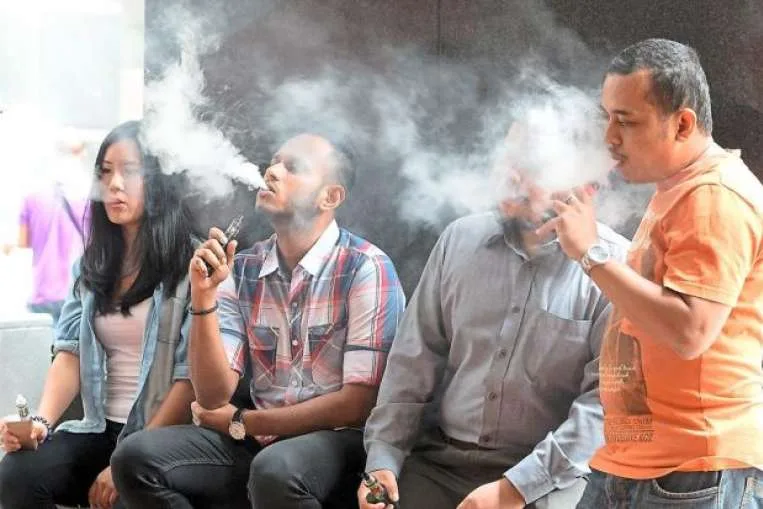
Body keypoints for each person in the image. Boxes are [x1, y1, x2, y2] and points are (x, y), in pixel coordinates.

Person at [111, 133, 406, 509]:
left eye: (293, 167)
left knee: (276, 468)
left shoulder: (366, 267)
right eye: (273, 162)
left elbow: (357, 404)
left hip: (338, 445)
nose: (272, 172)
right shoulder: (244, 268)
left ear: (330, 197)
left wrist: (243, 421)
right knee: (136, 458)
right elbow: (212, 395)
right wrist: (203, 299)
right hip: (257, 443)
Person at [534, 38, 763, 508]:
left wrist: (591, 254)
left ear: (683, 124)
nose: (609, 137)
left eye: (627, 121)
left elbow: (690, 331)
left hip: (692, 472)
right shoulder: (678, 191)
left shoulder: (713, 196)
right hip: (639, 465)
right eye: (606, 117)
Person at [358, 156, 630, 509]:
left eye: (533, 163)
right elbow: (413, 359)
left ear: (585, 186)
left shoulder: (616, 266)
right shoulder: (459, 239)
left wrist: (514, 489)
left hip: (547, 475)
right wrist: (382, 458)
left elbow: (604, 406)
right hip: (441, 460)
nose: (511, 175)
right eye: (510, 158)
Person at [0, 120, 198, 509]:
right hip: (97, 427)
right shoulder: (91, 263)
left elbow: (189, 381)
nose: (114, 184)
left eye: (130, 171)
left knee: (129, 499)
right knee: (16, 474)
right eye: (105, 172)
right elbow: (69, 352)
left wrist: (127, 462)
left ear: (159, 180)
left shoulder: (191, 265)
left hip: (160, 436)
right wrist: (39, 423)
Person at [5, 136, 89, 326]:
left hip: (41, 294)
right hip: (75, 294)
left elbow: (24, 242)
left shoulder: (32, 197)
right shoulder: (86, 199)